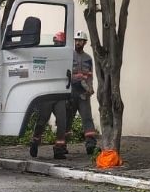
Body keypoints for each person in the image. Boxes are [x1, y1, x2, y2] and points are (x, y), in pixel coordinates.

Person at [28, 31, 70, 160]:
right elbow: (37, 71)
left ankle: (59, 149)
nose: (59, 45)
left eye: (61, 43)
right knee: (42, 120)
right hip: (47, 94)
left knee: (62, 122)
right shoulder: (46, 55)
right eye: (57, 42)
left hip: (60, 95)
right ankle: (35, 142)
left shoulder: (67, 57)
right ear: (54, 42)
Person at [65, 30, 99, 154]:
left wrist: (90, 89)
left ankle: (90, 144)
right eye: (76, 40)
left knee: (87, 118)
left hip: (83, 94)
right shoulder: (69, 55)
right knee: (68, 118)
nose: (78, 42)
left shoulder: (88, 58)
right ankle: (61, 145)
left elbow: (90, 75)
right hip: (71, 92)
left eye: (80, 41)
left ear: (84, 43)